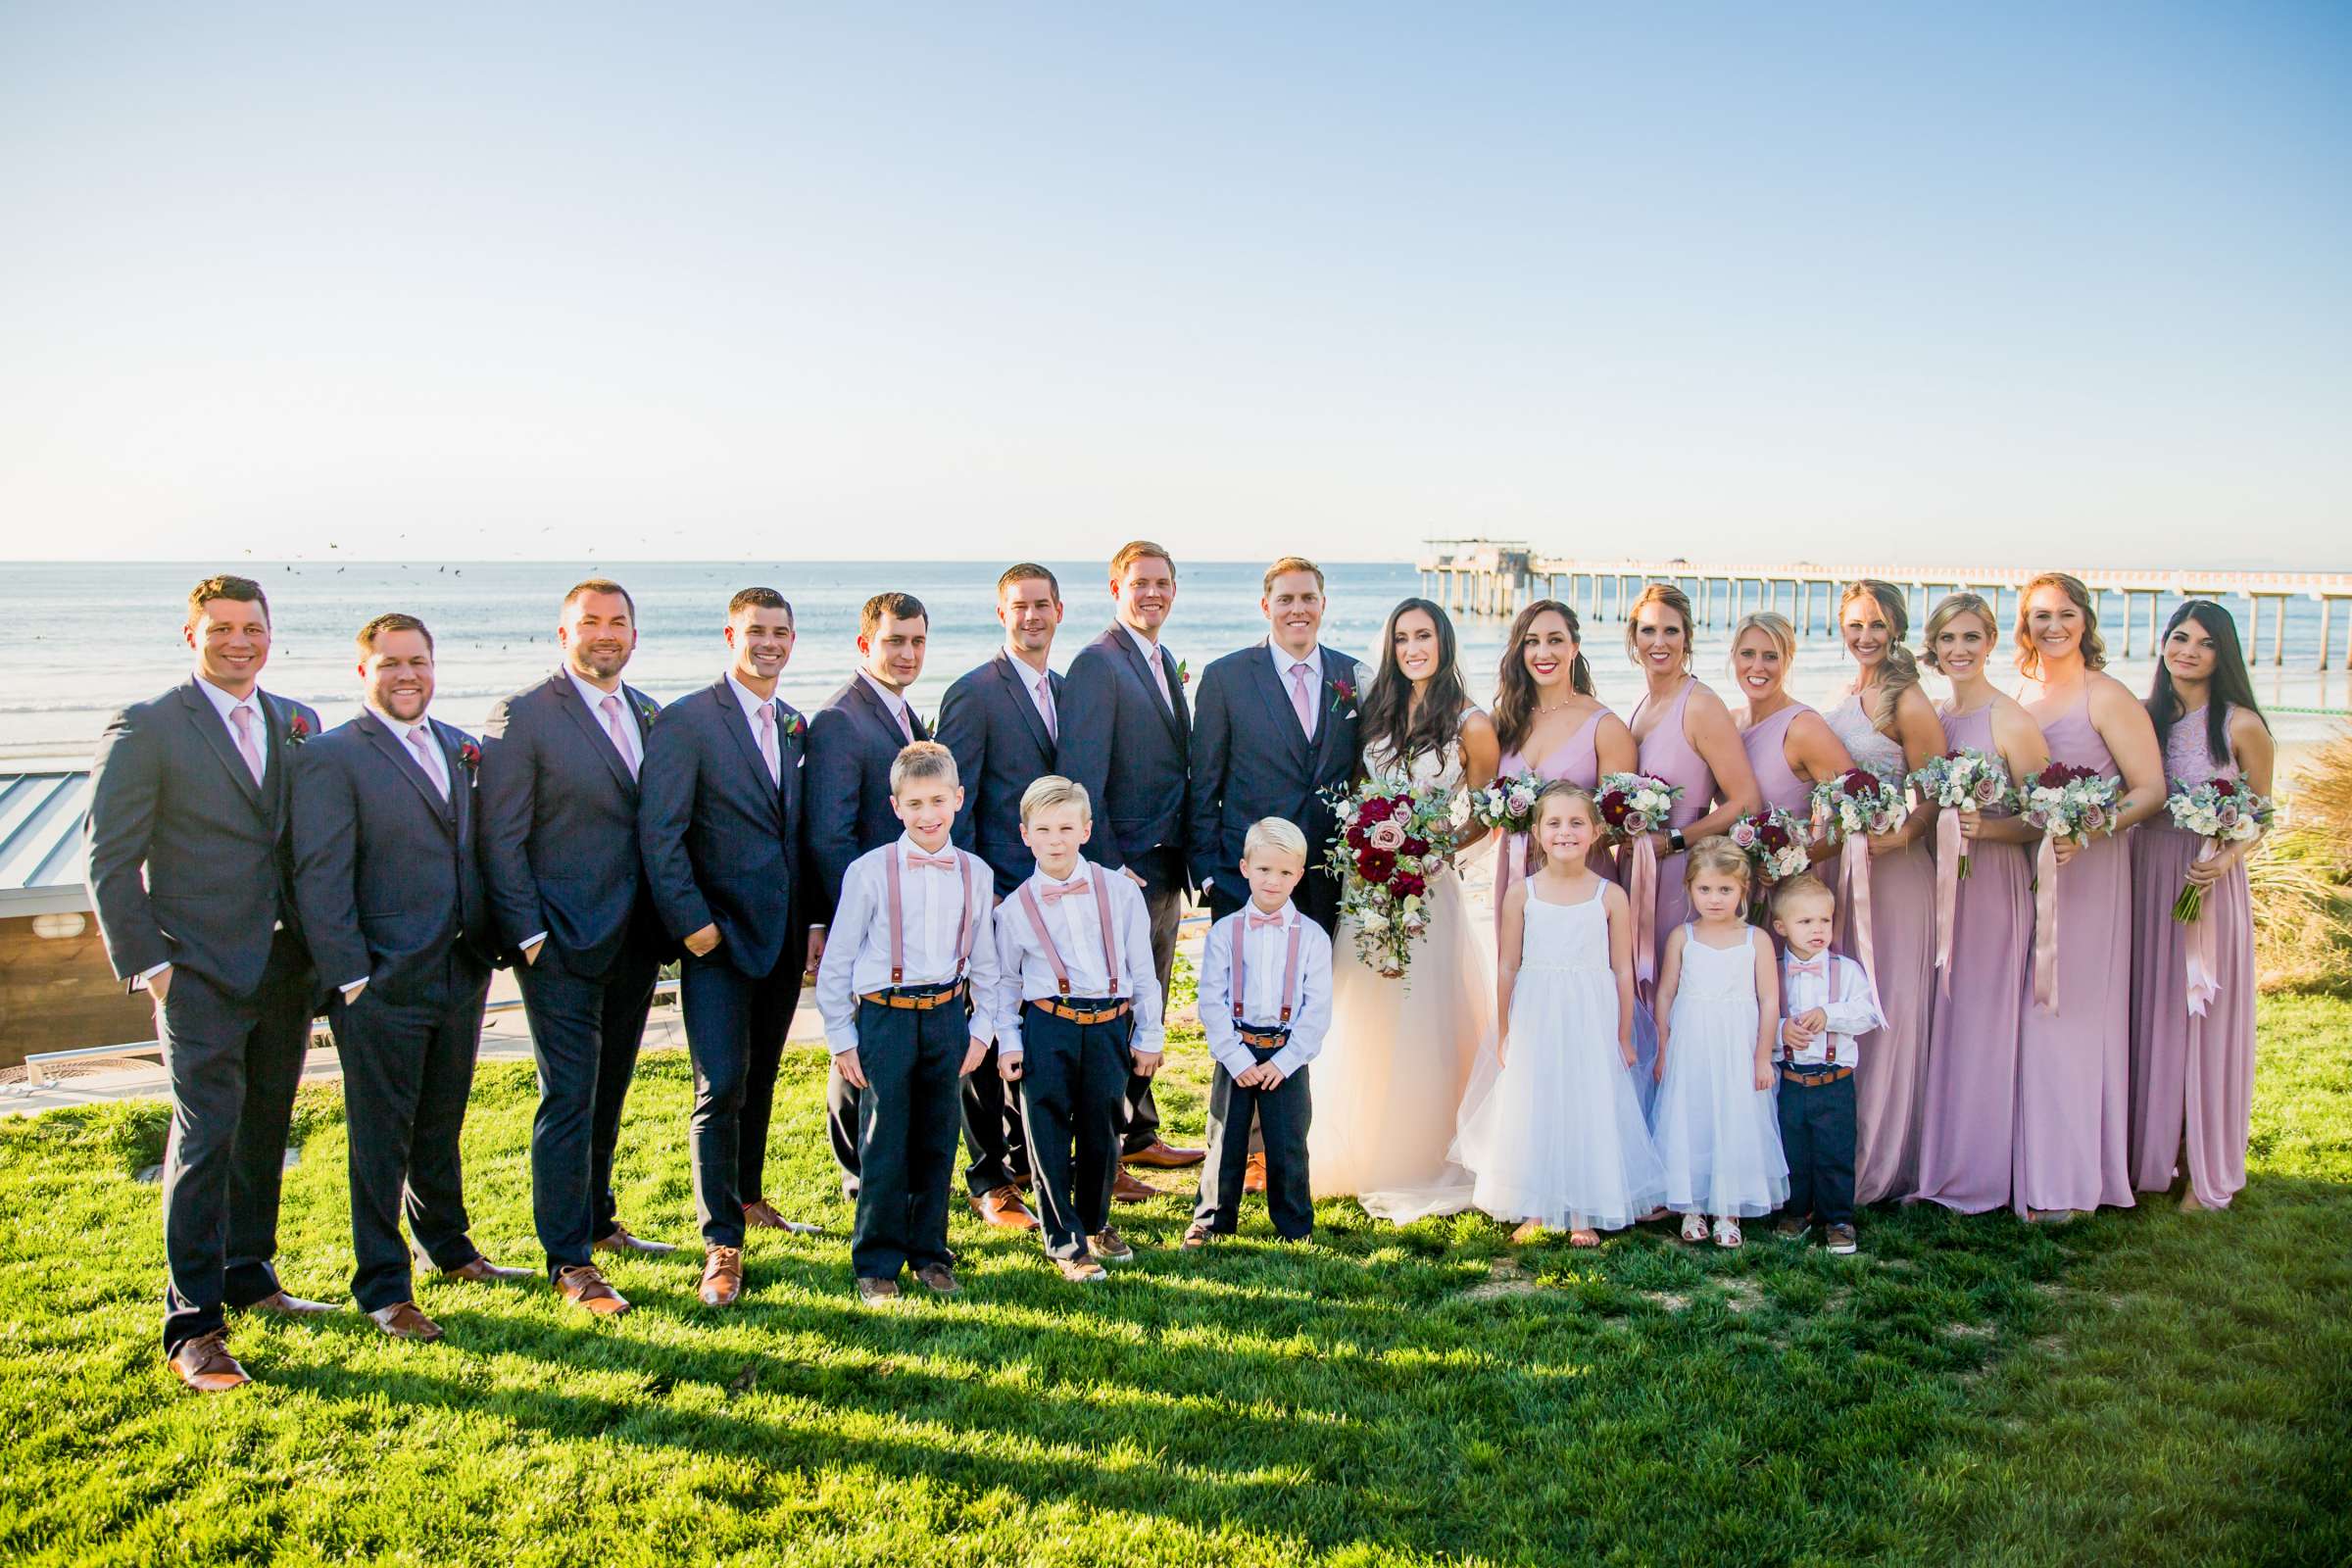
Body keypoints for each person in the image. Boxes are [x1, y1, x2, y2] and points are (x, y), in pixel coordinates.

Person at [84, 574, 332, 1391]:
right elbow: (110, 861)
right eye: (221, 628)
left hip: (283, 967)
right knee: (205, 1136)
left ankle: (251, 1276)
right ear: (190, 636)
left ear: (270, 634)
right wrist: (152, 968)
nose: (239, 641)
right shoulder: (149, 726)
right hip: (195, 972)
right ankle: (193, 1322)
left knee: (265, 1124)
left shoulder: (297, 720)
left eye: (252, 627)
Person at [291, 613, 521, 1344]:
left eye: (417, 662)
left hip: (459, 971)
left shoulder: (459, 747)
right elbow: (318, 878)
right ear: (364, 673)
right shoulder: (331, 757)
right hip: (381, 985)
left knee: (440, 1126)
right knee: (379, 1142)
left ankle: (450, 1248)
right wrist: (351, 979)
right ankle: (384, 1288)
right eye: (390, 664)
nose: (406, 675)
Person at [475, 577, 673, 1316]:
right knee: (569, 1094)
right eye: (590, 622)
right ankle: (568, 1260)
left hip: (632, 939)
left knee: (610, 1087)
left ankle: (598, 1216)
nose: (606, 633)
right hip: (556, 941)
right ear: (564, 635)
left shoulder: (648, 712)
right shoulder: (524, 715)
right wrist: (528, 935)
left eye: (619, 621)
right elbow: (499, 834)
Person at [638, 588, 821, 1310]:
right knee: (718, 1090)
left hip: (779, 938)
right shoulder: (686, 721)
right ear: (729, 635)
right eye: (755, 632)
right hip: (715, 938)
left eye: (780, 632)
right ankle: (721, 1242)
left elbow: (793, 835)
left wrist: (808, 925)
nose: (768, 643)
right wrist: (693, 927)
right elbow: (660, 834)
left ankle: (748, 1198)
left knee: (763, 1078)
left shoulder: (792, 724)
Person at [1307, 597, 1500, 1221]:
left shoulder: (1471, 722)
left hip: (1428, 886)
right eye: (1401, 639)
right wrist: (1372, 841)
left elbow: (1488, 812)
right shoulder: (1376, 714)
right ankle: (1357, 1147)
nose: (1413, 648)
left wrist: (1433, 848)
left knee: (1426, 1014)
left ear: (1443, 642)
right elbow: (1363, 793)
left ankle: (1420, 1153)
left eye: (1423, 636)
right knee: (1365, 1009)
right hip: (1369, 888)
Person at [812, 742, 1002, 1303]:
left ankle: (930, 1252)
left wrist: (982, 1029)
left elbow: (986, 961)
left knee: (938, 1138)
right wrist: (842, 1038)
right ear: (896, 806)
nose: (927, 814)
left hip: (947, 1017)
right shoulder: (869, 872)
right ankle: (876, 1259)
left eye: (938, 800)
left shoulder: (977, 872)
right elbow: (838, 964)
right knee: (884, 1139)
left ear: (958, 800)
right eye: (915, 803)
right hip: (885, 1019)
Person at [2009, 571, 2164, 1222]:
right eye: (2040, 615)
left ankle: (2071, 1183)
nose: (2053, 625)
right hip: (2027, 873)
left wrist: (2090, 827)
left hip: (2091, 872)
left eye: (2065, 613)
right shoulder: (2020, 693)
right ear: (2024, 625)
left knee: (2071, 1018)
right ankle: (2029, 1168)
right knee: (2031, 1020)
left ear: (2085, 621)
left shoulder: (2107, 695)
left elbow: (2148, 788)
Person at [1452, 782, 1661, 1249]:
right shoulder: (1520, 893)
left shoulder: (1609, 896)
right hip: (1538, 1012)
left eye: (1575, 823)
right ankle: (1537, 1205)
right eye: (1554, 823)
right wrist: (1505, 1031)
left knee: (1588, 1103)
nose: (1565, 832)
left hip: (1591, 1014)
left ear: (1595, 831)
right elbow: (1508, 965)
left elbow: (1622, 971)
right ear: (1537, 832)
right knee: (1537, 1103)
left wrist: (1624, 1035)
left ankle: (1582, 1208)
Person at [1056, 541, 1202, 1177]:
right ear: (1116, 587)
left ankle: (1138, 1131)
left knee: (1152, 1005)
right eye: (1140, 583)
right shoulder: (1097, 663)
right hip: (1125, 872)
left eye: (1163, 583)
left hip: (1165, 869)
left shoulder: (1161, 657)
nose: (1153, 593)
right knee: (1114, 1013)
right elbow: (1081, 773)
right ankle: (1102, 1157)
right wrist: (1111, 864)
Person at [989, 777, 1164, 1281]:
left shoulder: (1119, 892)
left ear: (1086, 830)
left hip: (1109, 1023)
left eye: (1066, 827)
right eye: (1043, 829)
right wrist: (1010, 1041)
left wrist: (1148, 1034)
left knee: (1103, 1128)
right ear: (1025, 835)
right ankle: (1065, 1243)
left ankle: (1094, 1222)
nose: (1056, 839)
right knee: (1044, 1131)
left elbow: (1142, 968)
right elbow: (1005, 982)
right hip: (1049, 1024)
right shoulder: (1015, 907)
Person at [936, 564, 1068, 1229]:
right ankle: (990, 1180)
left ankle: (1034, 1162)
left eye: (1042, 605)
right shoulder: (973, 693)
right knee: (982, 1040)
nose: (1032, 616)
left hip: (1051, 898)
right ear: (1001, 614)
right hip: (993, 897)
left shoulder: (1068, 691)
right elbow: (955, 808)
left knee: (1036, 1033)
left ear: (1059, 611)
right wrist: (975, 896)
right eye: (1019, 606)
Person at [2130, 601, 2273, 1212]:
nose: (2188, 650)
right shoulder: (2143, 718)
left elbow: (2261, 812)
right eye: (2178, 637)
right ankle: (2151, 1153)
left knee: (2202, 1014)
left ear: (2224, 654)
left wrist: (2227, 857)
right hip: (2145, 871)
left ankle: (2208, 1169)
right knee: (2150, 1013)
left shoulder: (2241, 724)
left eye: (2205, 642)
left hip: (2205, 878)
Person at [1913, 592, 2050, 1215]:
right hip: (1939, 884)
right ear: (1934, 648)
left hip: (1992, 883)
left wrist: (1985, 830)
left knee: (1983, 1021)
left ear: (1991, 642)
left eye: (1970, 638)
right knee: (1945, 1021)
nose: (1959, 650)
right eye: (1947, 640)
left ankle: (1982, 1174)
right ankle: (1937, 1161)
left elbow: (2045, 817)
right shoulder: (1936, 715)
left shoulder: (2010, 719)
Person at [808, 591, 935, 1199]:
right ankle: (859, 1175)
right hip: (867, 917)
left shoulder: (905, 715)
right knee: (856, 1052)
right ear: (866, 645)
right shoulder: (841, 720)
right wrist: (848, 922)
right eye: (894, 642)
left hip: (911, 920)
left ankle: (891, 1166)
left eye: (916, 641)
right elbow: (830, 833)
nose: (907, 653)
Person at [1827, 580, 1943, 1205]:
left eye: (1875, 625)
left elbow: (1934, 794)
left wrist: (1901, 838)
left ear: (1895, 627)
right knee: (1846, 1010)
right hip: (1844, 870)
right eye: (1854, 625)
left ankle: (1879, 1164)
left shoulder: (1910, 701)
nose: (1865, 636)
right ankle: (1837, 1153)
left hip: (1895, 873)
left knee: (1886, 1012)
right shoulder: (1850, 691)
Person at [1624, 583, 1761, 1109]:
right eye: (1648, 630)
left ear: (1688, 638)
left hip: (1678, 873)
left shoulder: (1699, 705)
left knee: (1672, 996)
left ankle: (1684, 1128)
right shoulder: (1642, 704)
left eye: (1671, 631)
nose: (1660, 641)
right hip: (1639, 868)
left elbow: (1744, 800)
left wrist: (1674, 839)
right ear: (1633, 638)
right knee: (1643, 994)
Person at [1187, 557, 1362, 933]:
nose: (1297, 609)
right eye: (1285, 599)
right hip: (1248, 878)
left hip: (1331, 878)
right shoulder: (1225, 677)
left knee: (1321, 990)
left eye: (1308, 598)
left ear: (1323, 604)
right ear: (1266, 606)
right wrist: (1208, 872)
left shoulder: (1354, 675)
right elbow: (1203, 782)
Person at [1185, 817, 1333, 1248]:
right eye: (1264, 869)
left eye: (1285, 872)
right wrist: (1236, 1058)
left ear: (1299, 876)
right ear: (1245, 867)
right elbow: (1211, 1002)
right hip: (1236, 1049)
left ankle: (1294, 1224)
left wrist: (1287, 1062)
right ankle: (1212, 1219)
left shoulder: (1313, 938)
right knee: (1224, 1138)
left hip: (1287, 1052)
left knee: (1288, 1143)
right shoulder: (1224, 933)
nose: (1273, 880)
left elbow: (1317, 1010)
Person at [1650, 837, 1788, 1249]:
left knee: (1734, 1120)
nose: (1714, 899)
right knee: (1691, 1118)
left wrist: (1763, 1057)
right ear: (1690, 888)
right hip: (1691, 1043)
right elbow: (1665, 994)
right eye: (1705, 889)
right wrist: (1663, 1047)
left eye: (1725, 890)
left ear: (1743, 890)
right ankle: (1691, 1205)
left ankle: (1729, 1212)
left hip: (1737, 1046)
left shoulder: (1756, 940)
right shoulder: (1682, 937)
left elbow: (1769, 1001)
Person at [1487, 600, 1636, 926]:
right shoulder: (1503, 722)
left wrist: (1559, 838)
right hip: (1514, 877)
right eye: (1532, 642)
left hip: (1582, 883)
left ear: (1574, 648)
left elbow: (1615, 825)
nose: (1543, 652)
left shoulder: (1605, 726)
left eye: (1555, 640)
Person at [1766, 876, 1884, 1255]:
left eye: (1825, 921)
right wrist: (1780, 1030)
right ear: (1780, 927)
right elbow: (1752, 1017)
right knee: (1792, 1151)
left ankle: (1838, 1220)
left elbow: (1868, 1014)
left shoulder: (1845, 969)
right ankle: (1796, 1212)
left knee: (1835, 1152)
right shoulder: (1769, 969)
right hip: (1790, 1080)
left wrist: (1828, 1014)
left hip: (1834, 1081)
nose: (1818, 930)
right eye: (1805, 922)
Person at [1731, 612, 1853, 858]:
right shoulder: (1730, 723)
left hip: (1787, 886)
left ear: (1788, 659)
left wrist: (1796, 861)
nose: (1757, 666)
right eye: (1747, 654)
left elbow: (1856, 816)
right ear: (1733, 656)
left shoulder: (1803, 728)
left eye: (1771, 656)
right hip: (1727, 886)